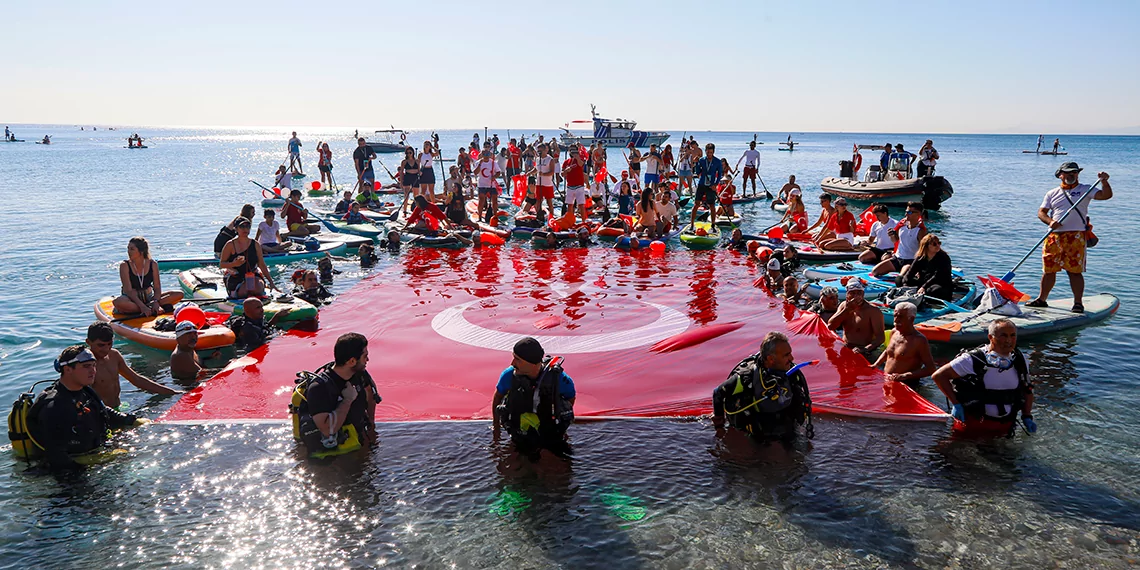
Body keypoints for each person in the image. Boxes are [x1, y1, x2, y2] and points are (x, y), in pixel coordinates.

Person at [24, 346, 145, 469]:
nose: (93, 371)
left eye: (94, 365)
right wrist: (90, 467)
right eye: (86, 366)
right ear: (67, 369)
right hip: (73, 471)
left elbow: (101, 410)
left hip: (96, 453)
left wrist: (130, 420)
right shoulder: (54, 407)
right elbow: (57, 457)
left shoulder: (85, 391)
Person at [1027, 164, 1113, 313]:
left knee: (1074, 271)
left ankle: (1078, 303)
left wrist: (1104, 181)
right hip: (1054, 237)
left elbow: (1106, 195)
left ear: (1078, 174)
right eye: (1067, 173)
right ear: (1060, 175)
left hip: (1076, 237)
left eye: (1074, 172)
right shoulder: (1052, 193)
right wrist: (1050, 221)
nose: (1071, 175)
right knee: (1048, 271)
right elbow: (1041, 212)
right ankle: (1042, 300)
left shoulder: (1086, 189)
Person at [931, 318, 1036, 435]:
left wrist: (1027, 415)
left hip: (1005, 425)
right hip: (973, 423)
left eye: (1013, 335)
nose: (1009, 340)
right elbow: (939, 376)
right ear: (991, 337)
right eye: (1003, 335)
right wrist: (956, 404)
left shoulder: (1020, 360)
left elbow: (1027, 389)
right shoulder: (973, 359)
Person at [711, 332, 813, 443]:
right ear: (770, 359)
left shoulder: (792, 374)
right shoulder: (746, 378)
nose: (792, 358)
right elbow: (718, 393)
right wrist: (719, 427)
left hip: (783, 427)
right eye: (786, 355)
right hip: (754, 432)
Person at [295, 332, 380, 454]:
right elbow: (327, 430)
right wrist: (347, 400)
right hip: (330, 455)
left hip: (357, 441)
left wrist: (371, 425)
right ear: (351, 361)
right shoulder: (319, 388)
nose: (367, 359)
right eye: (365, 356)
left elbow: (370, 397)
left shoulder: (360, 374)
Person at [492, 337, 575, 457]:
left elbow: (570, 399)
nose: (512, 363)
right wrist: (496, 429)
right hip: (519, 428)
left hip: (549, 429)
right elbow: (497, 397)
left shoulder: (559, 379)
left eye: (517, 359)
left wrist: (558, 418)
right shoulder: (508, 375)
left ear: (533, 364)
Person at [86, 322, 179, 408]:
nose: (106, 349)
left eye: (109, 344)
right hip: (102, 413)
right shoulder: (86, 365)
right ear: (89, 342)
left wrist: (171, 392)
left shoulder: (114, 355)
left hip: (118, 407)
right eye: (101, 345)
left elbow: (136, 379)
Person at [113, 237, 183, 316]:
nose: (129, 252)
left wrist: (155, 302)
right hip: (132, 299)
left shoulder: (152, 264)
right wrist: (142, 306)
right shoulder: (124, 265)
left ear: (141, 251)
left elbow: (157, 287)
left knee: (179, 294)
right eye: (128, 249)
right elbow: (129, 291)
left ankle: (149, 307)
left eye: (132, 249)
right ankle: (146, 308)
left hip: (149, 298)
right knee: (118, 302)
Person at [871, 302, 935, 387]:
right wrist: (876, 364)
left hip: (906, 384)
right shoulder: (894, 332)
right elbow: (888, 351)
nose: (896, 320)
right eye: (895, 316)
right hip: (887, 379)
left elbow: (931, 369)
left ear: (911, 319)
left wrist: (905, 375)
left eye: (900, 317)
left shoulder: (919, 340)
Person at [219, 216, 278, 298]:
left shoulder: (255, 244)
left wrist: (271, 282)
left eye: (247, 226)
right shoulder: (230, 245)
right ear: (236, 229)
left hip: (252, 275)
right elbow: (222, 264)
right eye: (242, 226)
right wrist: (234, 263)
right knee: (244, 292)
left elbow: (261, 264)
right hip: (236, 276)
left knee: (257, 289)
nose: (245, 229)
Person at [827, 280, 885, 359]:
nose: (856, 296)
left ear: (863, 294)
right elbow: (830, 326)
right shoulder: (843, 306)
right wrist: (847, 310)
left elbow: (880, 338)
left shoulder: (873, 311)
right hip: (846, 347)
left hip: (865, 350)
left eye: (859, 293)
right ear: (847, 295)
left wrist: (865, 349)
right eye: (853, 293)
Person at [871, 202, 927, 278]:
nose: (906, 214)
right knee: (875, 271)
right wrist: (891, 235)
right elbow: (895, 241)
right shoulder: (901, 225)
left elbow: (924, 250)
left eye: (910, 212)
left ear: (918, 214)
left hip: (911, 260)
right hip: (898, 258)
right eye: (906, 212)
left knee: (901, 279)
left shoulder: (920, 231)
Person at [898, 234, 955, 301]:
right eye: (934, 244)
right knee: (899, 280)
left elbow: (937, 276)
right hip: (923, 281)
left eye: (939, 243)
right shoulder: (920, 257)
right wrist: (905, 285)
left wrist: (923, 287)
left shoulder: (944, 258)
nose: (938, 246)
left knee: (934, 290)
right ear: (926, 246)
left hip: (939, 283)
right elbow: (911, 272)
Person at [227, 297, 291, 349]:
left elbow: (265, 327)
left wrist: (277, 316)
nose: (262, 310)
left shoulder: (257, 319)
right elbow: (257, 346)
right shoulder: (248, 329)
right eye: (258, 308)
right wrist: (277, 336)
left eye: (261, 307)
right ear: (247, 311)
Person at [690, 143, 723, 227]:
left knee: (711, 205)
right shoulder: (702, 160)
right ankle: (692, 224)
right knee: (696, 204)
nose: (709, 154)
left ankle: (713, 224)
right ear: (705, 152)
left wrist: (715, 184)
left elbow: (719, 174)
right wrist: (696, 163)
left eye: (711, 153)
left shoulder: (717, 161)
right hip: (701, 184)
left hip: (711, 185)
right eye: (707, 152)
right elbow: (697, 172)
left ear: (713, 152)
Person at [474, 149, 506, 225]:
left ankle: (495, 216)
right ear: (482, 154)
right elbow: (475, 172)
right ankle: (479, 217)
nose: (486, 156)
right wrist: (480, 164)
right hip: (482, 184)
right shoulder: (478, 162)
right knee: (481, 200)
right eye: (484, 154)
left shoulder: (493, 163)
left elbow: (498, 172)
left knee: (494, 200)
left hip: (492, 185)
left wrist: (494, 177)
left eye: (487, 154)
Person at [561, 145, 589, 224]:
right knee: (570, 205)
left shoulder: (579, 159)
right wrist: (566, 170)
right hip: (570, 186)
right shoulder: (566, 162)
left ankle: (584, 221)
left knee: (581, 205)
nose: (573, 153)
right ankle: (570, 221)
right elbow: (562, 174)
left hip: (579, 185)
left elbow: (581, 164)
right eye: (571, 151)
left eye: (575, 151)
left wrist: (577, 157)